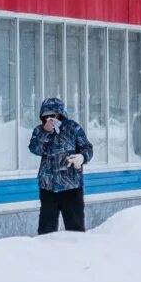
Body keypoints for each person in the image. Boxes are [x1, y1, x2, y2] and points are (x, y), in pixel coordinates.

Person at [29, 96, 95, 233]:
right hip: (48, 189)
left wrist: (82, 157)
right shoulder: (39, 131)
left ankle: (76, 254)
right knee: (46, 231)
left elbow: (87, 148)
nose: (50, 119)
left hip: (72, 187)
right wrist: (45, 132)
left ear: (61, 114)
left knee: (75, 229)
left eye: (53, 115)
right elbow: (35, 149)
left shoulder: (73, 128)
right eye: (46, 116)